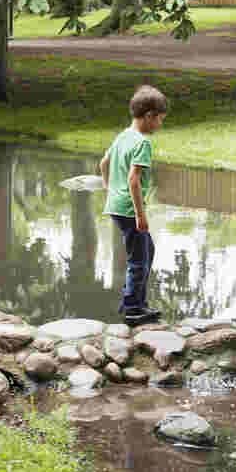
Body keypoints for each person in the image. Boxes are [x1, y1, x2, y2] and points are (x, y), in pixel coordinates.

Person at [99, 85, 168, 326]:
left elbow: (103, 163)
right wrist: (140, 214)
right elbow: (133, 179)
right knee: (139, 258)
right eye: (160, 119)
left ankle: (138, 302)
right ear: (149, 116)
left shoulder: (123, 135)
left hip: (116, 205)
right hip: (129, 209)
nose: (160, 124)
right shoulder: (142, 142)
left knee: (147, 250)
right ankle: (132, 309)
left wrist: (110, 190)